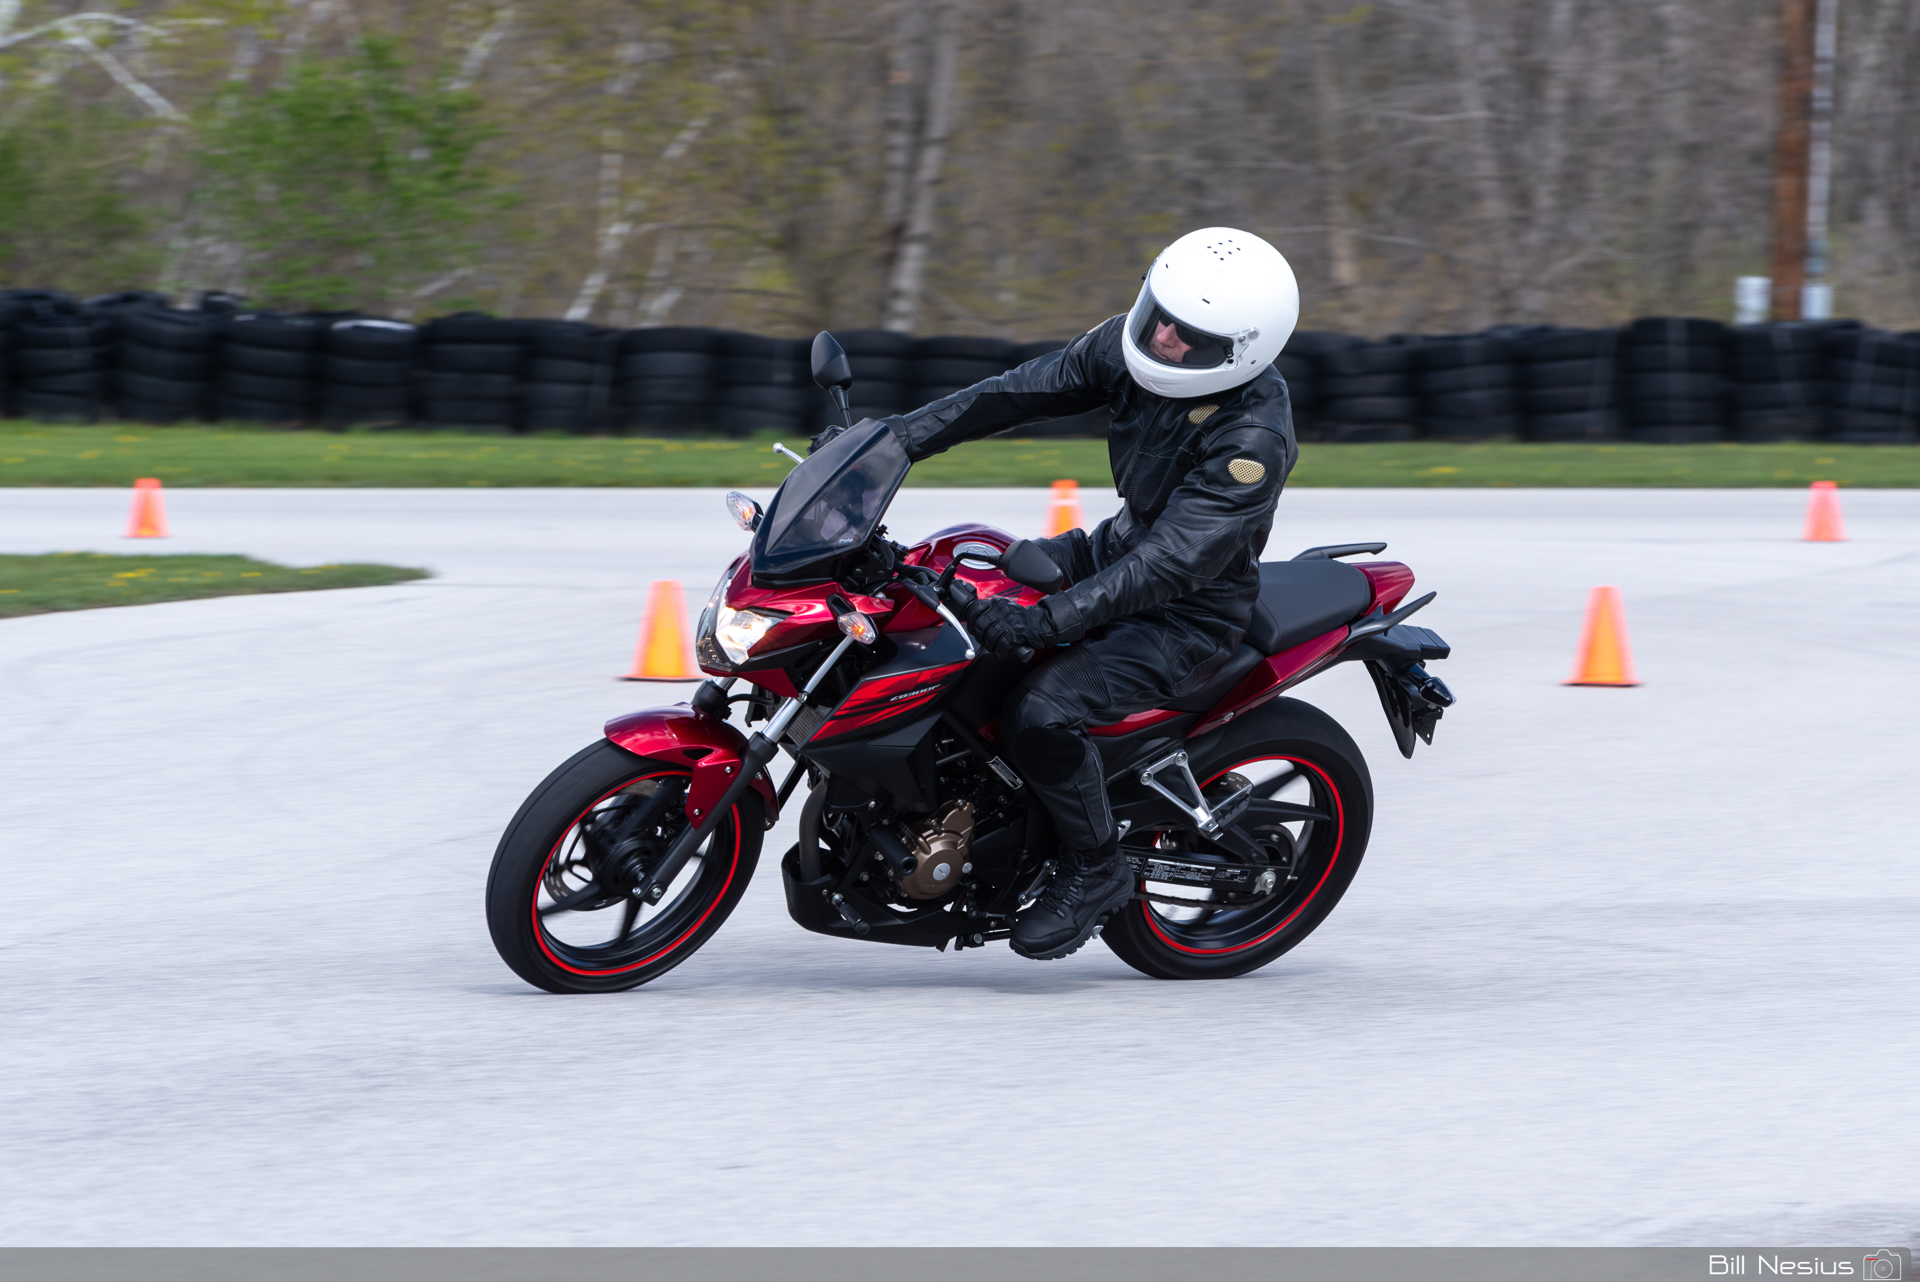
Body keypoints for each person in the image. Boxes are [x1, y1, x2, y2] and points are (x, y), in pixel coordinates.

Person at [825, 227, 1302, 960]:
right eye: (1158, 314)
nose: (1164, 336)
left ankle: (1095, 865)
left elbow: (1170, 564)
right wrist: (888, 443)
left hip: (1187, 611)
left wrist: (1041, 623)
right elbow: (1011, 393)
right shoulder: (1134, 346)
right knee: (938, 575)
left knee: (1043, 711)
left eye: (1189, 334)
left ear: (1239, 350)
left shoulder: (1251, 440)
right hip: (1108, 553)